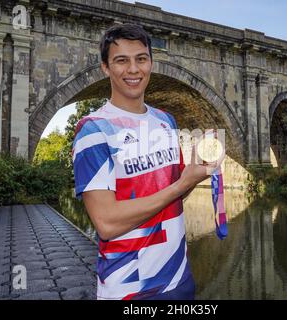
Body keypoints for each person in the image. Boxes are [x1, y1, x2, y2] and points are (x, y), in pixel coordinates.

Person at [72, 23, 221, 300]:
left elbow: (173, 193)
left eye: (141, 59)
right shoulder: (93, 130)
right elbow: (107, 223)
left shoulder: (165, 121)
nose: (133, 69)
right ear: (105, 67)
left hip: (180, 280)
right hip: (129, 290)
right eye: (121, 60)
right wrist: (180, 186)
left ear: (151, 62)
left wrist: (193, 172)